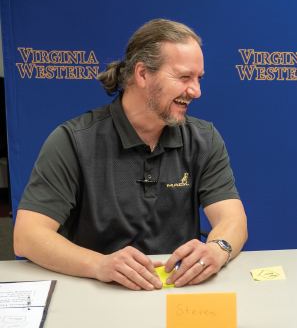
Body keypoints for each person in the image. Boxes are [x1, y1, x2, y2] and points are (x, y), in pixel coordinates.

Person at [13, 19, 248, 290]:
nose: (196, 91)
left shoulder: (204, 138)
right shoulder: (73, 141)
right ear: (143, 74)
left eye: (198, 78)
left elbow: (233, 219)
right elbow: (28, 236)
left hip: (178, 291)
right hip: (96, 290)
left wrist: (218, 248)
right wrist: (99, 264)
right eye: (184, 77)